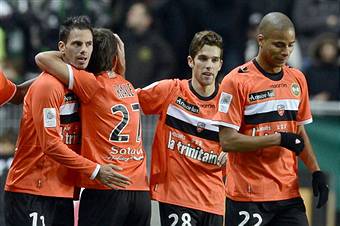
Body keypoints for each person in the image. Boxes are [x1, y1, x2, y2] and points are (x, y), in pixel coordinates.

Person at [4, 16, 126, 226]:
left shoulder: (84, 83)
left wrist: (121, 64)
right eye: (77, 44)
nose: (84, 50)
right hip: (32, 190)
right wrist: (96, 170)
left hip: (63, 192)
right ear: (62, 47)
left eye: (88, 44)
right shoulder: (48, 86)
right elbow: (51, 144)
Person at [214, 12, 329, 226]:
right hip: (248, 197)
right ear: (261, 40)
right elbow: (228, 141)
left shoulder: (297, 79)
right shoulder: (236, 81)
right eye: (278, 45)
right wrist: (278, 139)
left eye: (290, 45)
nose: (286, 52)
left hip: (287, 194)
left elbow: (298, 131)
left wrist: (316, 171)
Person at [35, 28, 150, 226]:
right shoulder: (128, 85)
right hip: (140, 192)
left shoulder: (90, 84)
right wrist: (118, 59)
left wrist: (67, 52)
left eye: (88, 45)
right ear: (116, 57)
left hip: (106, 188)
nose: (83, 50)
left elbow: (42, 58)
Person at [137, 30, 226, 226]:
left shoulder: (229, 104)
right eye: (202, 58)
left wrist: (234, 153)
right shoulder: (170, 91)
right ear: (190, 61)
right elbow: (128, 102)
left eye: (214, 60)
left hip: (214, 200)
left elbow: (248, 140)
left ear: (220, 64)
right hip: (176, 197)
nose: (208, 66)